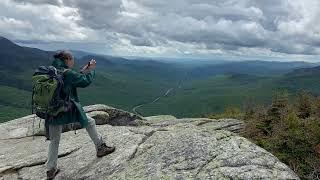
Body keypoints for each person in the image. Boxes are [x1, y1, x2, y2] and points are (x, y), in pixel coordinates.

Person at [46, 51, 115, 180]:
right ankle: (100, 147)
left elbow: (72, 78)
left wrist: (84, 70)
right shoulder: (67, 72)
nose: (73, 61)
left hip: (51, 110)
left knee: (54, 140)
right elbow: (84, 82)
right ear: (67, 59)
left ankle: (51, 169)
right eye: (72, 59)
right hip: (65, 109)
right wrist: (91, 71)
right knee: (90, 122)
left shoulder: (52, 70)